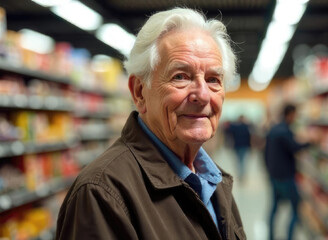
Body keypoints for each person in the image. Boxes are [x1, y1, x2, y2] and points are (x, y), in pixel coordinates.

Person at [56, 8, 246, 240]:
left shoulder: (215, 181)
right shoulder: (102, 193)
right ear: (139, 92)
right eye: (180, 77)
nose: (203, 95)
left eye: (213, 80)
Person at [264, 104, 310, 240]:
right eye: (295, 115)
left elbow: (266, 153)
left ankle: (271, 236)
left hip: (274, 175)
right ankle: (289, 237)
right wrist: (310, 142)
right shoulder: (284, 131)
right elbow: (295, 147)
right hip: (286, 176)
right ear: (290, 114)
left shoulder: (274, 129)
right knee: (296, 209)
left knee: (274, 208)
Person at [227, 115, 252, 181]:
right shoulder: (246, 127)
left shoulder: (236, 126)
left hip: (237, 145)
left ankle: (240, 174)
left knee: (239, 161)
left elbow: (229, 132)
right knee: (242, 161)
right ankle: (242, 174)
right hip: (244, 145)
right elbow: (249, 137)